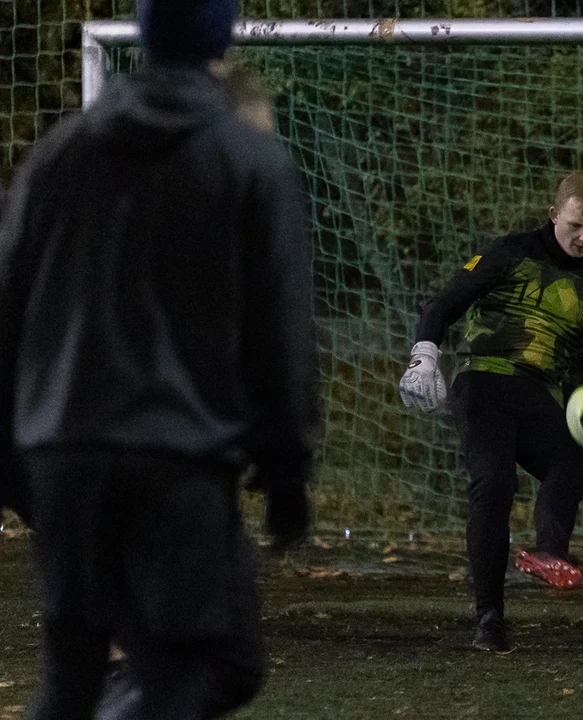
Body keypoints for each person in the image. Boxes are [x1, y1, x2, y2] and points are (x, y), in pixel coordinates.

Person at [0, 1, 318, 718]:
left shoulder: (60, 152)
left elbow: (8, 309)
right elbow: (279, 331)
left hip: (65, 453)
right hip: (174, 454)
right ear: (223, 37)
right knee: (190, 668)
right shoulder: (246, 158)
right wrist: (287, 468)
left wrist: (16, 455)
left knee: (72, 669)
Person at [399, 171, 583, 652]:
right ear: (555, 214)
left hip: (538, 395)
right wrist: (424, 357)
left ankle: (551, 554)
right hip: (483, 383)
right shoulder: (509, 251)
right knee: (494, 484)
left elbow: (574, 369)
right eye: (577, 224)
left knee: (571, 464)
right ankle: (490, 620)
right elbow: (444, 304)